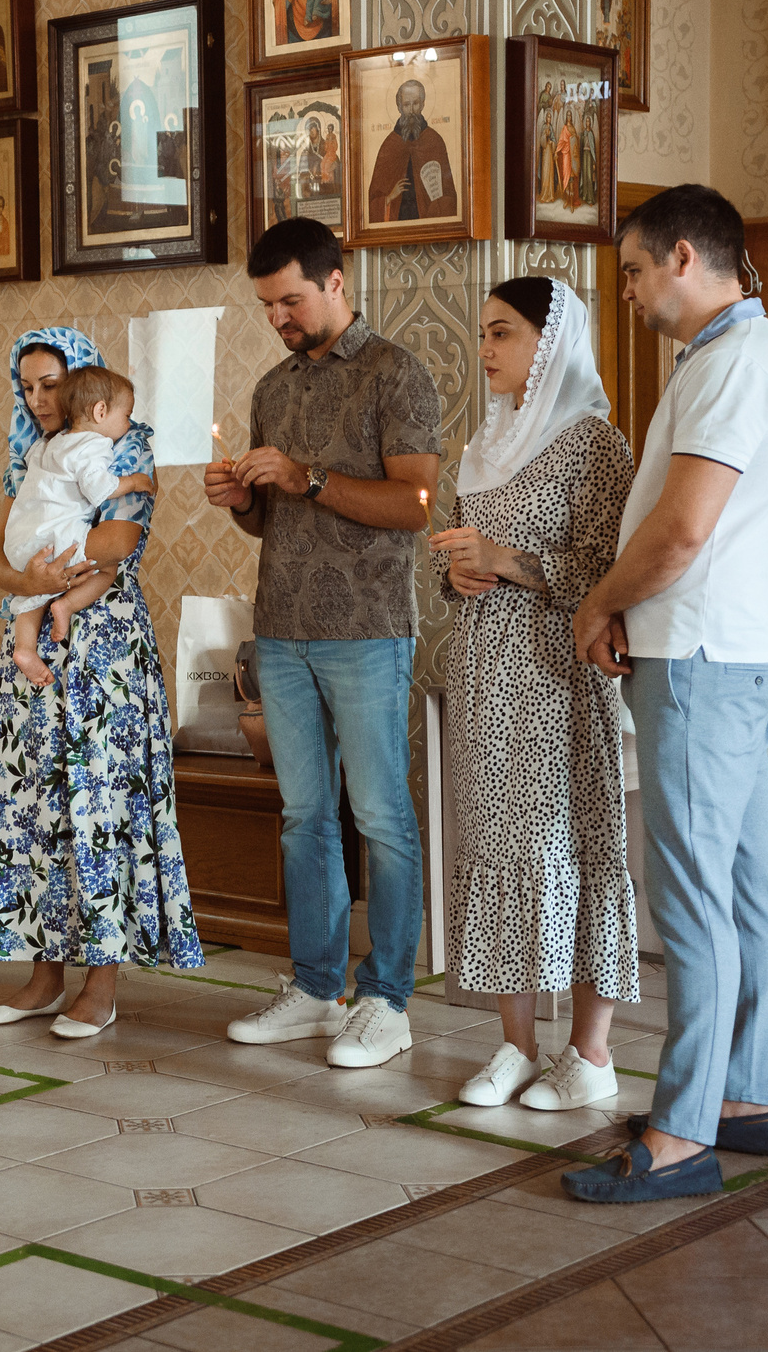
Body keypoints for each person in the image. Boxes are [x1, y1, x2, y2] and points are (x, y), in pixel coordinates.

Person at [561, 184, 768, 1204]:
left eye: (627, 268)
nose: (623, 290)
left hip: (702, 661)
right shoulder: (726, 357)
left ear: (679, 257)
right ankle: (740, 1096)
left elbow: (681, 530)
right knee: (744, 885)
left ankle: (680, 1134)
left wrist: (595, 604)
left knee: (693, 899)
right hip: (716, 651)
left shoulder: (737, 362)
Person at [205, 218, 443, 1069]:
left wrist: (307, 478)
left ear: (337, 281)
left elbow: (415, 505)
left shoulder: (396, 374)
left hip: (369, 629)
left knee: (379, 814)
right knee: (304, 815)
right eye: (268, 304)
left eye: (291, 300)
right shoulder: (273, 388)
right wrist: (239, 497)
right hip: (282, 628)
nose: (279, 317)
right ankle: (314, 988)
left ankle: (387, 999)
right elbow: (271, 520)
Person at [430, 278, 638, 1113]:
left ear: (549, 344)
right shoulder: (482, 446)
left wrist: (511, 560)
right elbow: (452, 564)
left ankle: (590, 1051)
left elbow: (610, 575)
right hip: (487, 676)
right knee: (498, 850)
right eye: (483, 333)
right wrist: (456, 569)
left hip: (560, 677)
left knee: (573, 845)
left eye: (503, 334)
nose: (485, 351)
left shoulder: (596, 445)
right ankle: (516, 1045)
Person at [0, 328, 201, 1036]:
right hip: (35, 643)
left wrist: (40, 570)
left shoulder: (126, 441)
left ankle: (101, 983)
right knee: (34, 804)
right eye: (28, 386)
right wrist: (29, 578)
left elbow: (120, 540)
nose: (40, 398)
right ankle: (43, 975)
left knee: (99, 803)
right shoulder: (31, 454)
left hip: (103, 649)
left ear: (83, 384)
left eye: (51, 383)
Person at [3, 364, 153, 687]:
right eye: (126, 416)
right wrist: (134, 481)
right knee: (107, 571)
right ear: (101, 411)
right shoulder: (94, 445)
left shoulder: (47, 444)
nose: (128, 424)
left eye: (48, 386)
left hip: (22, 539)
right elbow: (100, 488)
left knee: (29, 595)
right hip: (60, 538)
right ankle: (65, 606)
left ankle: (25, 648)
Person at [366, 77, 456, 227]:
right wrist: (389, 197)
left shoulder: (434, 141)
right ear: (399, 107)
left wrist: (437, 204)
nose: (412, 110)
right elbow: (374, 199)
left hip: (429, 223)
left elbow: (449, 195)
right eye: (407, 105)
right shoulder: (389, 145)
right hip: (397, 224)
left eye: (416, 103)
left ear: (423, 104)